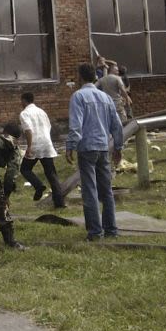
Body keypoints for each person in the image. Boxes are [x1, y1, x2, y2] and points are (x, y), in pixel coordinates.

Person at [66, 63, 124, 241]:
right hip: (103, 147)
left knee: (90, 190)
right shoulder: (105, 98)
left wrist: (70, 146)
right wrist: (118, 147)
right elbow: (117, 125)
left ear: (80, 77)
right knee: (106, 190)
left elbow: (76, 125)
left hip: (87, 148)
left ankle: (95, 232)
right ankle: (111, 230)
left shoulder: (78, 96)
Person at [18, 92, 66, 208]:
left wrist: (29, 147)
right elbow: (48, 127)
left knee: (25, 169)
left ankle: (38, 185)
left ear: (24, 101)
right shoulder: (42, 112)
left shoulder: (24, 113)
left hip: (35, 144)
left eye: (21, 101)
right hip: (46, 144)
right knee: (51, 174)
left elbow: (28, 130)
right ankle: (59, 203)